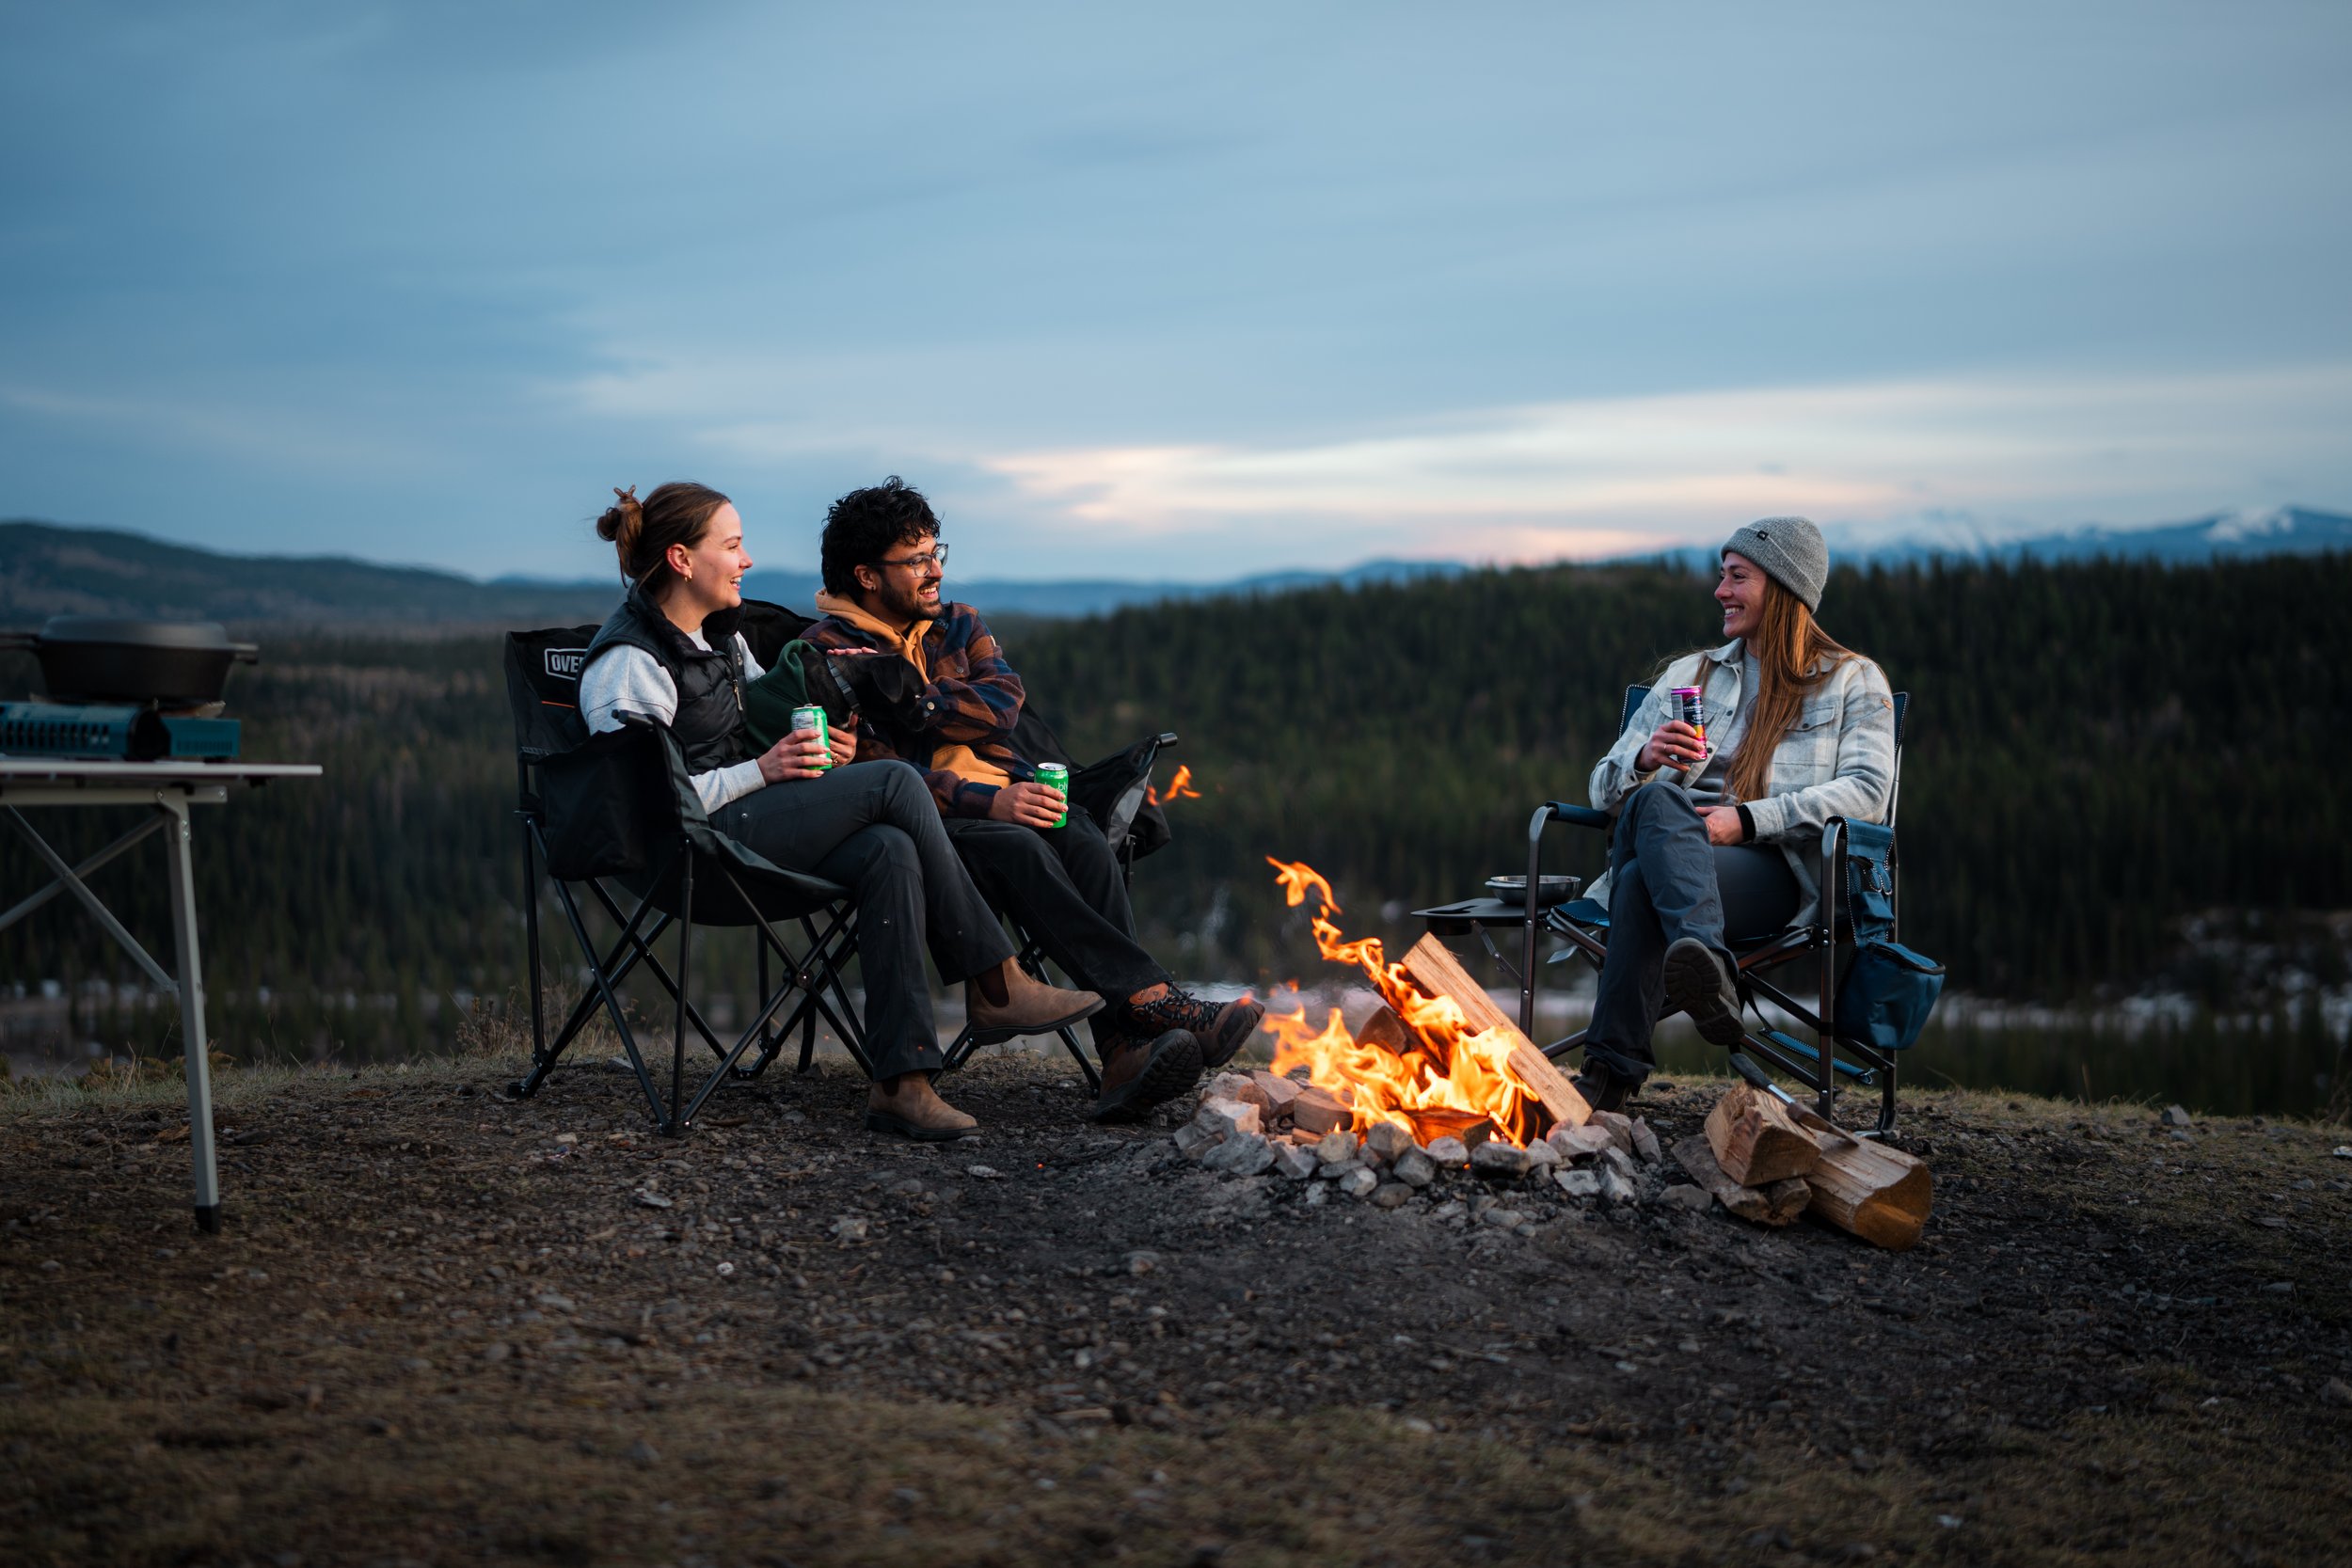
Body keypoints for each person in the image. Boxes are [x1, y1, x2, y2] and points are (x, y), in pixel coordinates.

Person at [575, 481, 1104, 1142]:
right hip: (687, 850)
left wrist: (814, 750)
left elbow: (755, 734)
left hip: (747, 824)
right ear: (683, 559)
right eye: (732, 546)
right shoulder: (629, 663)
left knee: (890, 846)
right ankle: (994, 981)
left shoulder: (721, 640)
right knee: (893, 784)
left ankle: (900, 1083)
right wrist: (763, 770)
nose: (746, 560)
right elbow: (648, 804)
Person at [801, 476, 1263, 1122]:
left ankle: (1123, 1054)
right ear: (867, 575)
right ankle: (1155, 1002)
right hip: (926, 824)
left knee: (1082, 838)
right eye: (916, 560)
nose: (934, 570)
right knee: (1019, 844)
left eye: (937, 553)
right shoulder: (829, 651)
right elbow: (877, 772)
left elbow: (1003, 701)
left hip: (1006, 795)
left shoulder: (957, 623)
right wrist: (983, 800)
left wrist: (920, 703)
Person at [1575, 515, 1897, 1111]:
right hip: (1670, 847)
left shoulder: (1853, 681)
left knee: (1643, 881)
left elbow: (1868, 793)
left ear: (1784, 588)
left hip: (1769, 871)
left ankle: (1607, 1078)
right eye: (1722, 576)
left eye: (1737, 576)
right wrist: (1643, 759)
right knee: (1653, 801)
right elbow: (1601, 786)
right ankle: (1709, 969)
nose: (1720, 591)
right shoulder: (1689, 676)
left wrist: (1745, 822)